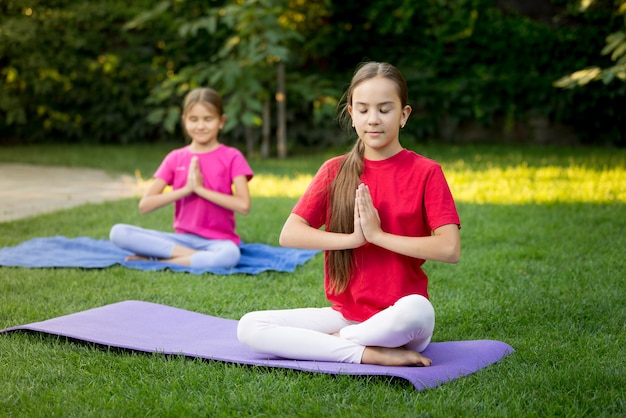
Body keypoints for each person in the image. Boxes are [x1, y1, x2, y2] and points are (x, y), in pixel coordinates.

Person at [237, 62, 461, 366]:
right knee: (250, 326)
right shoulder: (334, 170)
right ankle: (369, 353)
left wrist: (379, 236)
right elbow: (290, 234)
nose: (374, 119)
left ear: (404, 115)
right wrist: (355, 239)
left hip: (401, 322)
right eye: (364, 109)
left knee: (418, 309)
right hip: (346, 317)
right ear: (351, 113)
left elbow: (449, 248)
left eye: (385, 109)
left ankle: (332, 346)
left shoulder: (426, 172)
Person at [110, 87, 253, 269]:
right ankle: (198, 258)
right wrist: (186, 189)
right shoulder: (175, 158)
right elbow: (145, 205)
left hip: (219, 242)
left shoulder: (232, 156)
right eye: (194, 119)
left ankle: (161, 261)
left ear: (221, 121)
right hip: (180, 241)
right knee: (118, 232)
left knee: (230, 256)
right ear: (185, 121)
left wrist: (200, 190)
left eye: (208, 119)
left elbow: (244, 206)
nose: (200, 126)